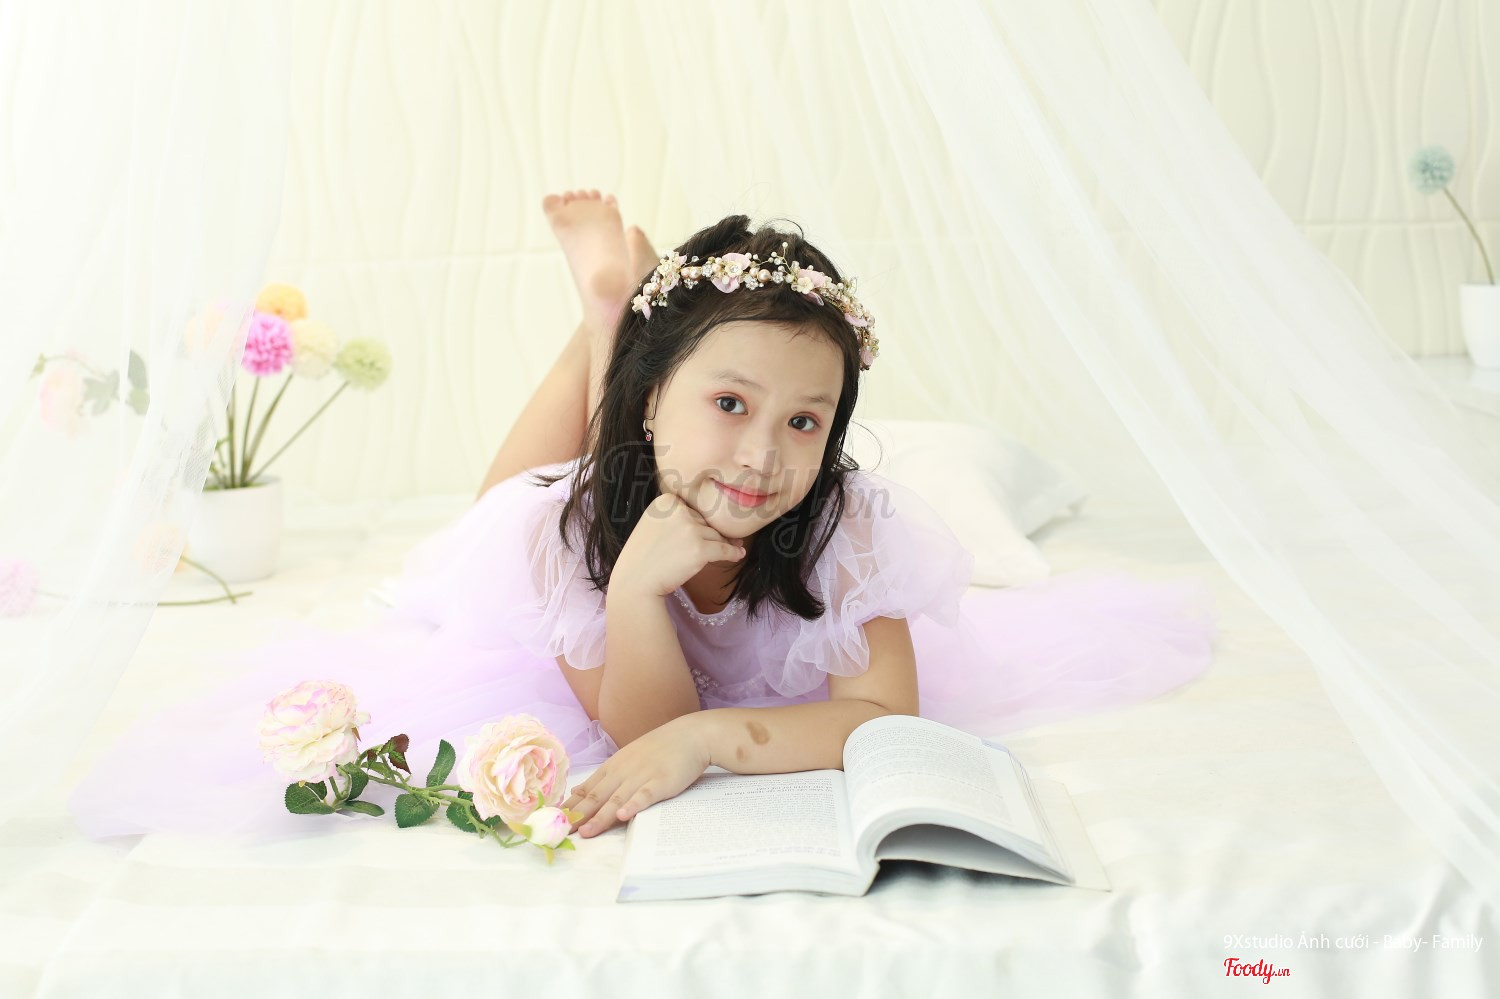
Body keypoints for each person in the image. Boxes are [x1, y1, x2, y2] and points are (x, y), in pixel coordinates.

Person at [67, 191, 1218, 845]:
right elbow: (636, 734)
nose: (764, 457)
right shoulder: (558, 542)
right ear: (660, 398)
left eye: (806, 421)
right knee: (492, 513)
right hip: (592, 516)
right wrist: (633, 591)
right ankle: (604, 325)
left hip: (644, 460)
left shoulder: (851, 525)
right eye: (731, 404)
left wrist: (717, 740)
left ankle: (626, 330)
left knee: (578, 485)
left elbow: (881, 716)